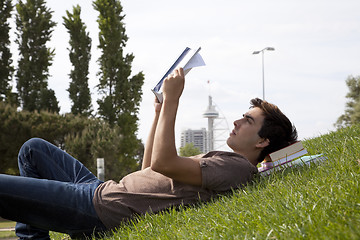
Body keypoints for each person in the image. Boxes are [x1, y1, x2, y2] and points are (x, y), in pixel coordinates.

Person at [0, 68, 297, 239]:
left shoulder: (239, 169)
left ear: (262, 142)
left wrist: (173, 101)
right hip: (103, 191)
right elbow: (150, 170)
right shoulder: (227, 161)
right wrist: (158, 112)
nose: (236, 121)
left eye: (248, 120)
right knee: (33, 150)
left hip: (100, 209)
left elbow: (163, 161)